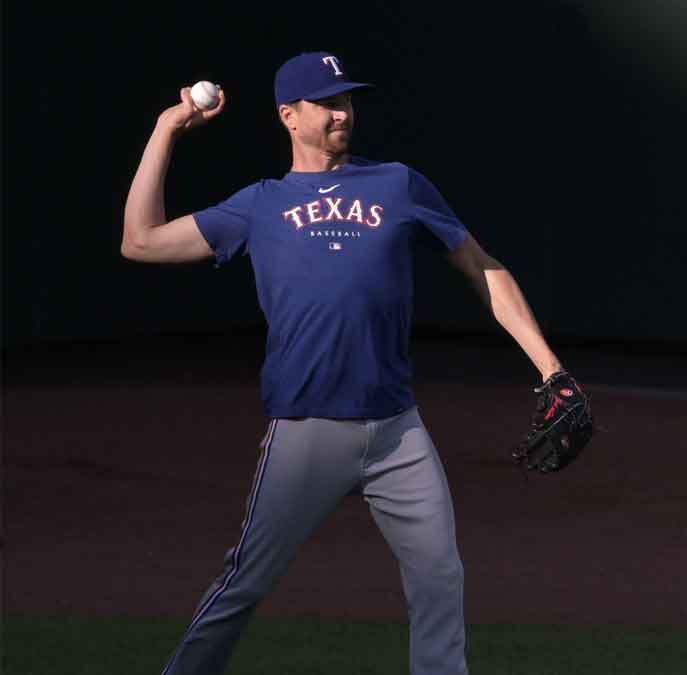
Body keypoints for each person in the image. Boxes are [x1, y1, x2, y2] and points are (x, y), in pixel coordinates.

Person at [121, 51, 581, 675]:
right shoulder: (259, 204)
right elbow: (139, 241)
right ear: (289, 115)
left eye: (346, 99)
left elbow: (483, 268)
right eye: (326, 101)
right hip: (305, 430)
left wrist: (550, 368)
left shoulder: (398, 183)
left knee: (440, 578)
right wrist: (165, 130)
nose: (342, 111)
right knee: (243, 585)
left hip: (397, 431)